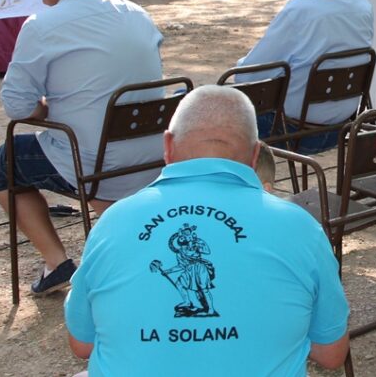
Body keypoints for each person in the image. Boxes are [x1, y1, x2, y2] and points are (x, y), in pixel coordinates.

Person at [64, 86, 350, 376]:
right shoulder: (301, 228)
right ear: (254, 156)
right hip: (194, 270)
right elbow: (331, 354)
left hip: (197, 269)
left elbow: (82, 344)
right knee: (192, 292)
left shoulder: (113, 222)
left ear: (167, 146)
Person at [0, 0, 164, 296]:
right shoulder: (137, 13)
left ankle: (57, 263)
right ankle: (117, 232)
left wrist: (47, 110)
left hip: (94, 161)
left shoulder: (42, 25)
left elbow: (17, 107)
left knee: (0, 165)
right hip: (152, 154)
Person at [234, 0, 373, 152]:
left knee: (208, 107)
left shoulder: (299, 11)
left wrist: (297, 1)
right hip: (343, 126)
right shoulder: (363, 6)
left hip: (296, 132)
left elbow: (248, 75)